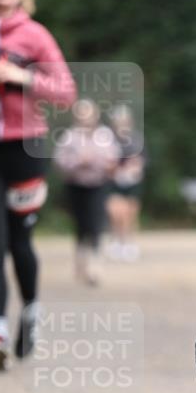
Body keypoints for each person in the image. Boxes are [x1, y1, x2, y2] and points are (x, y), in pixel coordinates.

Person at [0, 0, 76, 370]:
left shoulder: (34, 35)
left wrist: (20, 77)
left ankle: (29, 312)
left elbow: (65, 92)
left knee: (17, 240)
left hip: (24, 146)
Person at [54, 98, 120, 286]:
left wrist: (101, 163)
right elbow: (59, 161)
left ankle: (95, 266)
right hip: (76, 185)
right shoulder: (69, 136)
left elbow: (113, 159)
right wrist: (77, 162)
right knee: (81, 225)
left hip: (98, 185)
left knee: (96, 224)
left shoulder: (105, 135)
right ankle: (80, 264)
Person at [106, 103, 145, 262]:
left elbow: (141, 160)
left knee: (130, 214)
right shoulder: (108, 140)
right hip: (114, 181)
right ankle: (117, 241)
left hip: (132, 181)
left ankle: (130, 243)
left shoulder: (136, 139)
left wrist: (134, 167)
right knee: (115, 213)